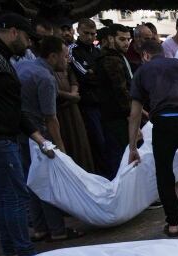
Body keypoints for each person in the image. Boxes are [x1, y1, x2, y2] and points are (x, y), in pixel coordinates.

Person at [0, 13, 59, 256]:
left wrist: (40, 139)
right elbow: (9, 108)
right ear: (13, 32)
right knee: (16, 196)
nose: (30, 44)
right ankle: (25, 255)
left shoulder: (1, 59)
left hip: (1, 136)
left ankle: (11, 251)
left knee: (5, 195)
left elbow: (12, 108)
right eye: (28, 37)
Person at [129, 40, 178, 238]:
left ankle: (173, 224)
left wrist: (133, 147)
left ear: (145, 55)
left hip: (164, 123)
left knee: (164, 174)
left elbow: (135, 114)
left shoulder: (143, 71)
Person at [16, 35, 85, 244]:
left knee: (33, 182)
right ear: (53, 56)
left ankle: (39, 229)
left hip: (21, 133)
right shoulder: (46, 78)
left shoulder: (23, 67)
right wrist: (60, 147)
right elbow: (50, 117)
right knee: (49, 182)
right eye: (65, 57)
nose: (67, 61)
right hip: (40, 136)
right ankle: (57, 230)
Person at [94, 24, 133, 178]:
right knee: (120, 157)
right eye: (122, 39)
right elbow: (121, 91)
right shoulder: (111, 59)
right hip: (117, 117)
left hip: (117, 115)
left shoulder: (116, 57)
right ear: (110, 39)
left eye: (128, 39)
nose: (126, 43)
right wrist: (131, 114)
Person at [70, 17, 107, 176]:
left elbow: (103, 75)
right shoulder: (73, 50)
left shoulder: (97, 51)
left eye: (93, 34)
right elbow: (84, 75)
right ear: (78, 30)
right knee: (98, 141)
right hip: (87, 104)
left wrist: (94, 73)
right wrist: (93, 73)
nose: (90, 37)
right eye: (86, 33)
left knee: (105, 141)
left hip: (101, 102)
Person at [55, 45, 94, 171]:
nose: (68, 60)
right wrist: (70, 96)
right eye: (65, 56)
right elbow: (52, 89)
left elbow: (74, 81)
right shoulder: (47, 70)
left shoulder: (67, 66)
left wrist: (73, 94)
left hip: (73, 109)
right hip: (60, 111)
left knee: (79, 141)